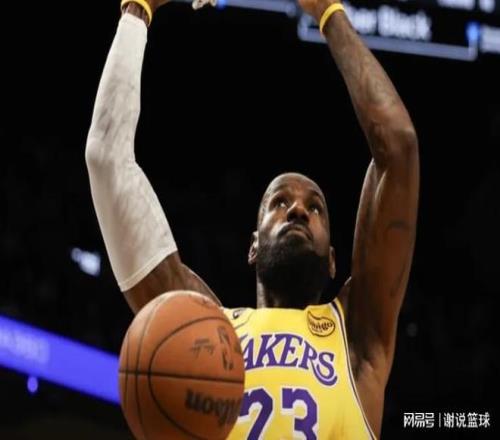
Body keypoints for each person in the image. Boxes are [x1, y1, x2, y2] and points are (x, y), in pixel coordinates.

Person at [85, 0, 419, 437]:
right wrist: (138, 11)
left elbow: (398, 147)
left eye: (315, 207)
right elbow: (106, 160)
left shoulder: (357, 335)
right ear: (253, 246)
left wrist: (329, 13)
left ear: (333, 261)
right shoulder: (204, 333)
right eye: (278, 202)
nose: (297, 209)